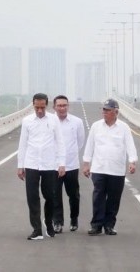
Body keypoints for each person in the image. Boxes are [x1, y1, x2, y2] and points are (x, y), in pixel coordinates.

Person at [83, 99, 138, 236]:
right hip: (99, 168)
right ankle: (96, 225)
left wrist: (132, 161)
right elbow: (90, 145)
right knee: (98, 197)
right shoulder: (96, 126)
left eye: (108, 110)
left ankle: (109, 225)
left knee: (114, 199)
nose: (105, 112)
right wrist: (86, 163)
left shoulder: (124, 127)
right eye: (104, 110)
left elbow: (130, 145)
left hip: (116, 170)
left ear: (116, 112)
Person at [17, 93, 66, 240]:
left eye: (42, 107)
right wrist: (20, 166)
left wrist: (61, 163)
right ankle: (37, 229)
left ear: (47, 105)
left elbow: (60, 142)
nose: (39, 111)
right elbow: (23, 143)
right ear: (33, 105)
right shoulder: (27, 121)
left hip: (49, 164)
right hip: (31, 163)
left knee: (50, 196)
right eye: (37, 107)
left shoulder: (53, 119)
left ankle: (49, 223)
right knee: (32, 197)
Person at [52, 95, 85, 233]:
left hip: (71, 165)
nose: (62, 108)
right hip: (53, 165)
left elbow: (80, 142)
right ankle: (58, 222)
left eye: (64, 105)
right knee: (55, 195)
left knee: (74, 194)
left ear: (68, 106)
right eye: (59, 105)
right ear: (54, 107)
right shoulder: (50, 121)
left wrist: (68, 156)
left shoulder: (76, 122)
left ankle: (74, 219)